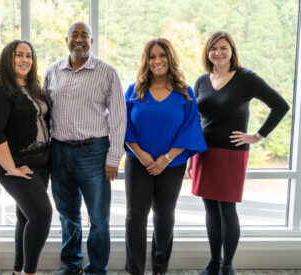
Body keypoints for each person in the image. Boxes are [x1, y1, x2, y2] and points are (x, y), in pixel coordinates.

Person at [190, 31, 290, 275]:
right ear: (207, 52)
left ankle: (227, 266)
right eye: (214, 48)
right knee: (210, 209)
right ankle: (213, 263)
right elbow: (195, 120)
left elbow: (280, 105)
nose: (218, 53)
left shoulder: (246, 78)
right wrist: (190, 158)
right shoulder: (202, 81)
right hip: (204, 152)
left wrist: (258, 135)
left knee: (227, 209)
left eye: (224, 48)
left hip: (231, 153)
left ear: (232, 51)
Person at [43, 21, 126, 275]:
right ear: (66, 39)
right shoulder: (53, 71)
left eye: (84, 35)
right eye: (74, 35)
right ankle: (71, 264)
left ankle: (97, 268)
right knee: (67, 215)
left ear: (91, 41)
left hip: (94, 153)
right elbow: (45, 114)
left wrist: (114, 158)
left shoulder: (107, 72)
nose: (79, 39)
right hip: (59, 152)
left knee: (99, 219)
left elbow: (119, 118)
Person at [124, 38, 207, 275]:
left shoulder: (185, 93)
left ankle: (160, 269)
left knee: (164, 214)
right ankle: (135, 270)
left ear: (170, 58)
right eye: (152, 57)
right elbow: (125, 127)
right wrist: (141, 155)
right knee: (135, 216)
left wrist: (166, 159)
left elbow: (190, 128)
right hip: (139, 162)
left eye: (161, 55)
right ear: (146, 61)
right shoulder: (134, 90)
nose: (157, 61)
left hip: (172, 164)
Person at [0, 40, 52, 275]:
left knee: (26, 217)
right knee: (42, 216)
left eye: (29, 56)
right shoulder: (1, 88)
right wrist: (11, 168)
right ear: (8, 58)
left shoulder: (33, 86)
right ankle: (29, 272)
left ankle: (17, 270)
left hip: (42, 162)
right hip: (17, 164)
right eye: (19, 55)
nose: (25, 60)